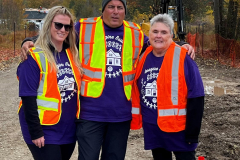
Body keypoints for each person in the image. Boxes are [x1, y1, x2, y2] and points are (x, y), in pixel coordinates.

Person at [20, 1, 196, 160]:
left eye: (120, 7)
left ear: (124, 11)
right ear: (103, 10)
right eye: (110, 7)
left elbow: (159, 41)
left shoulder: (135, 32)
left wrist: (181, 45)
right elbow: (59, 34)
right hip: (90, 114)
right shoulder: (85, 27)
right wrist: (30, 41)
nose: (115, 12)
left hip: (120, 115)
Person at [131, 13, 205, 160]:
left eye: (164, 32)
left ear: (171, 35)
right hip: (153, 129)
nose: (159, 36)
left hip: (179, 131)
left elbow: (196, 96)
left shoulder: (184, 58)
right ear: (149, 34)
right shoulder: (144, 56)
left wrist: (192, 133)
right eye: (155, 31)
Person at [17, 6, 82, 160]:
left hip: (67, 129)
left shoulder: (72, 53)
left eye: (67, 26)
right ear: (48, 25)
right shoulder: (34, 57)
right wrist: (36, 132)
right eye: (58, 25)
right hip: (44, 130)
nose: (63, 29)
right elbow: (27, 97)